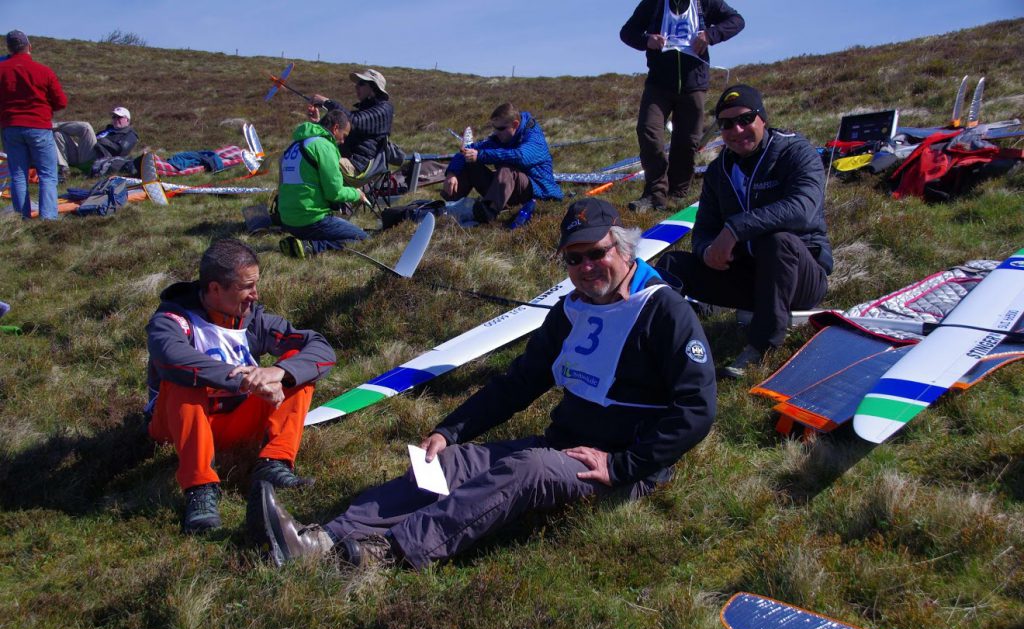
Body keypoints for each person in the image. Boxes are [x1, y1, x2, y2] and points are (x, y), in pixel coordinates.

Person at [251, 198, 717, 569]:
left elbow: (697, 409)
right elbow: (519, 382)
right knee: (451, 463)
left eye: (597, 254)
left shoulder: (662, 310)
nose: (586, 267)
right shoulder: (571, 310)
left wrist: (622, 466)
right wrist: (450, 430)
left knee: (525, 470)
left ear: (625, 249)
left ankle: (385, 553)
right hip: (563, 445)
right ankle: (324, 537)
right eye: (574, 259)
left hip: (620, 469)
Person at [145, 239, 336, 533]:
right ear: (214, 289)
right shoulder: (172, 319)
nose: (255, 295)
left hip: (234, 421)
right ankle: (200, 488)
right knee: (183, 378)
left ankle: (274, 463)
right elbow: (172, 358)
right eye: (246, 287)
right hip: (177, 423)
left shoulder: (252, 319)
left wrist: (277, 372)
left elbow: (320, 348)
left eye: (256, 284)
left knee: (297, 369)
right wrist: (248, 381)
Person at [656, 84, 832, 378]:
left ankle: (761, 346)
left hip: (801, 277)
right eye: (726, 124)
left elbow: (803, 209)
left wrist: (736, 229)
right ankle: (663, 341)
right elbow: (703, 232)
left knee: (776, 242)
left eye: (745, 119)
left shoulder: (795, 152)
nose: (736, 130)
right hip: (748, 276)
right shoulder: (718, 171)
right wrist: (707, 251)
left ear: (763, 118)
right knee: (674, 264)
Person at [620, 0, 744, 212]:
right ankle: (654, 194)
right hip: (658, 83)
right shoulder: (654, 4)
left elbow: (737, 21)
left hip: (694, 83)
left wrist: (710, 36)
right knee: (648, 131)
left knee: (687, 141)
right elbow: (627, 32)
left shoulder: (705, 3)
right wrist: (647, 40)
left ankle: (677, 194)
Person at [441, 103, 563, 225]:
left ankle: (488, 212)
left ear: (515, 124)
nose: (496, 132)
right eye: (494, 128)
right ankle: (446, 206)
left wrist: (480, 155)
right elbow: (465, 152)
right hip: (508, 191)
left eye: (500, 129)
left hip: (539, 191)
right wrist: (452, 173)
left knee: (507, 169)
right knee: (469, 163)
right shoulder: (501, 137)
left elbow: (520, 157)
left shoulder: (533, 137)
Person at [277, 109, 369, 258]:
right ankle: (311, 246)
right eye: (343, 135)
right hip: (311, 219)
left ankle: (299, 242)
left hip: (288, 220)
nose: (343, 141)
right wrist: (356, 194)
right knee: (363, 239)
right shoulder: (324, 146)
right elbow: (334, 192)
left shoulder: (294, 145)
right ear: (335, 128)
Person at [0, 30, 67, 219]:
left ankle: (22, 218)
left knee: (18, 176)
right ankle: (48, 218)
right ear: (29, 47)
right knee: (47, 175)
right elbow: (61, 102)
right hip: (39, 127)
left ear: (9, 49)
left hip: (11, 128)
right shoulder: (43, 71)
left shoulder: (1, 70)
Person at [308, 68, 393, 176]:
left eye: (361, 83)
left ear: (373, 87)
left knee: (312, 159)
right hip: (344, 159)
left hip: (358, 165)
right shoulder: (364, 111)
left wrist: (327, 102)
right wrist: (318, 122)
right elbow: (338, 130)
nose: (356, 86)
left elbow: (354, 121)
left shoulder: (385, 109)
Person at [53, 106, 139, 177]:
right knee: (58, 134)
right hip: (84, 155)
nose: (116, 119)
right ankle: (64, 169)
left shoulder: (130, 134)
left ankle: (52, 125)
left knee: (86, 127)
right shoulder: (107, 131)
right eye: (114, 117)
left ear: (127, 120)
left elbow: (121, 150)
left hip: (98, 159)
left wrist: (102, 141)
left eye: (119, 117)